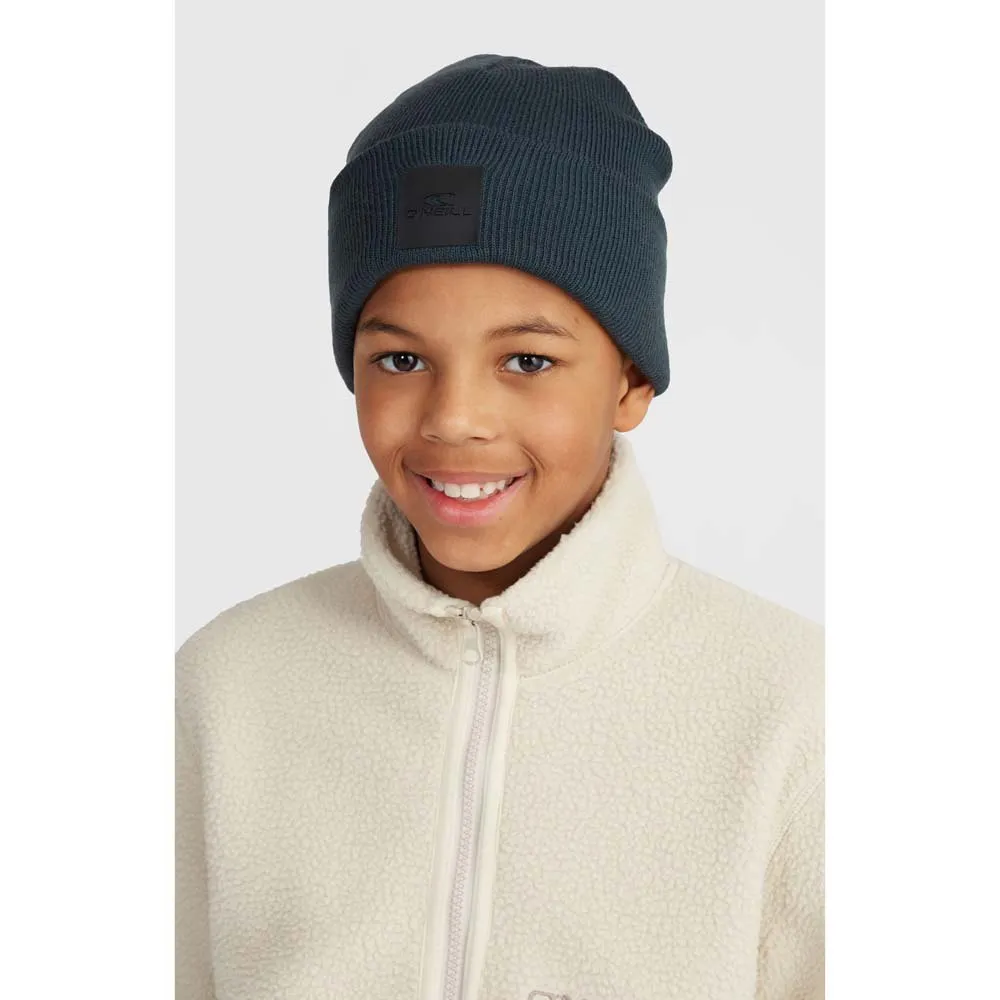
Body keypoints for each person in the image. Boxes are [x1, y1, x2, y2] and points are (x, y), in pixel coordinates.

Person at [176, 53, 824, 1000]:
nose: (454, 419)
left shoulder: (792, 710)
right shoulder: (226, 690)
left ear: (631, 379)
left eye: (526, 360)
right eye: (400, 360)